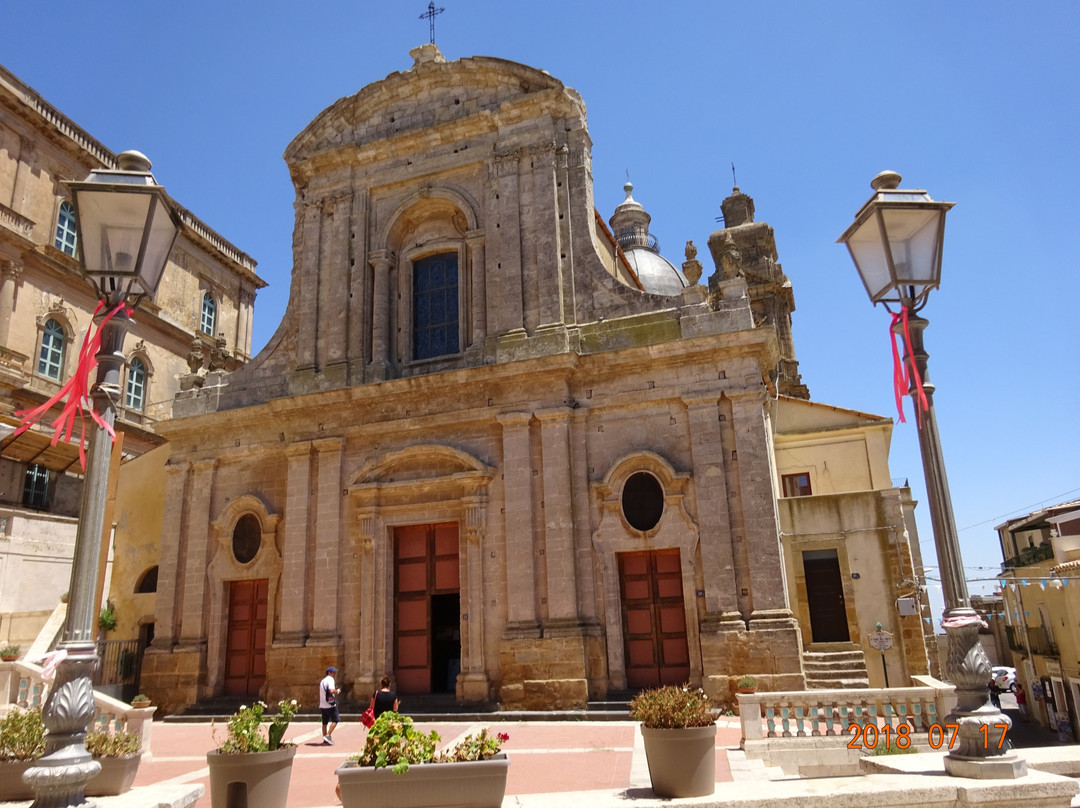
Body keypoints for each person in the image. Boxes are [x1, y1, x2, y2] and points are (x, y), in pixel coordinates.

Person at [319, 666, 340, 745]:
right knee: (336, 720)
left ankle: (325, 739)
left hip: (322, 704)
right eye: (333, 672)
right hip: (330, 705)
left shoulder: (322, 681)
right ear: (329, 673)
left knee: (325, 722)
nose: (334, 674)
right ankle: (328, 735)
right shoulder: (330, 679)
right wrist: (337, 691)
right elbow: (331, 690)